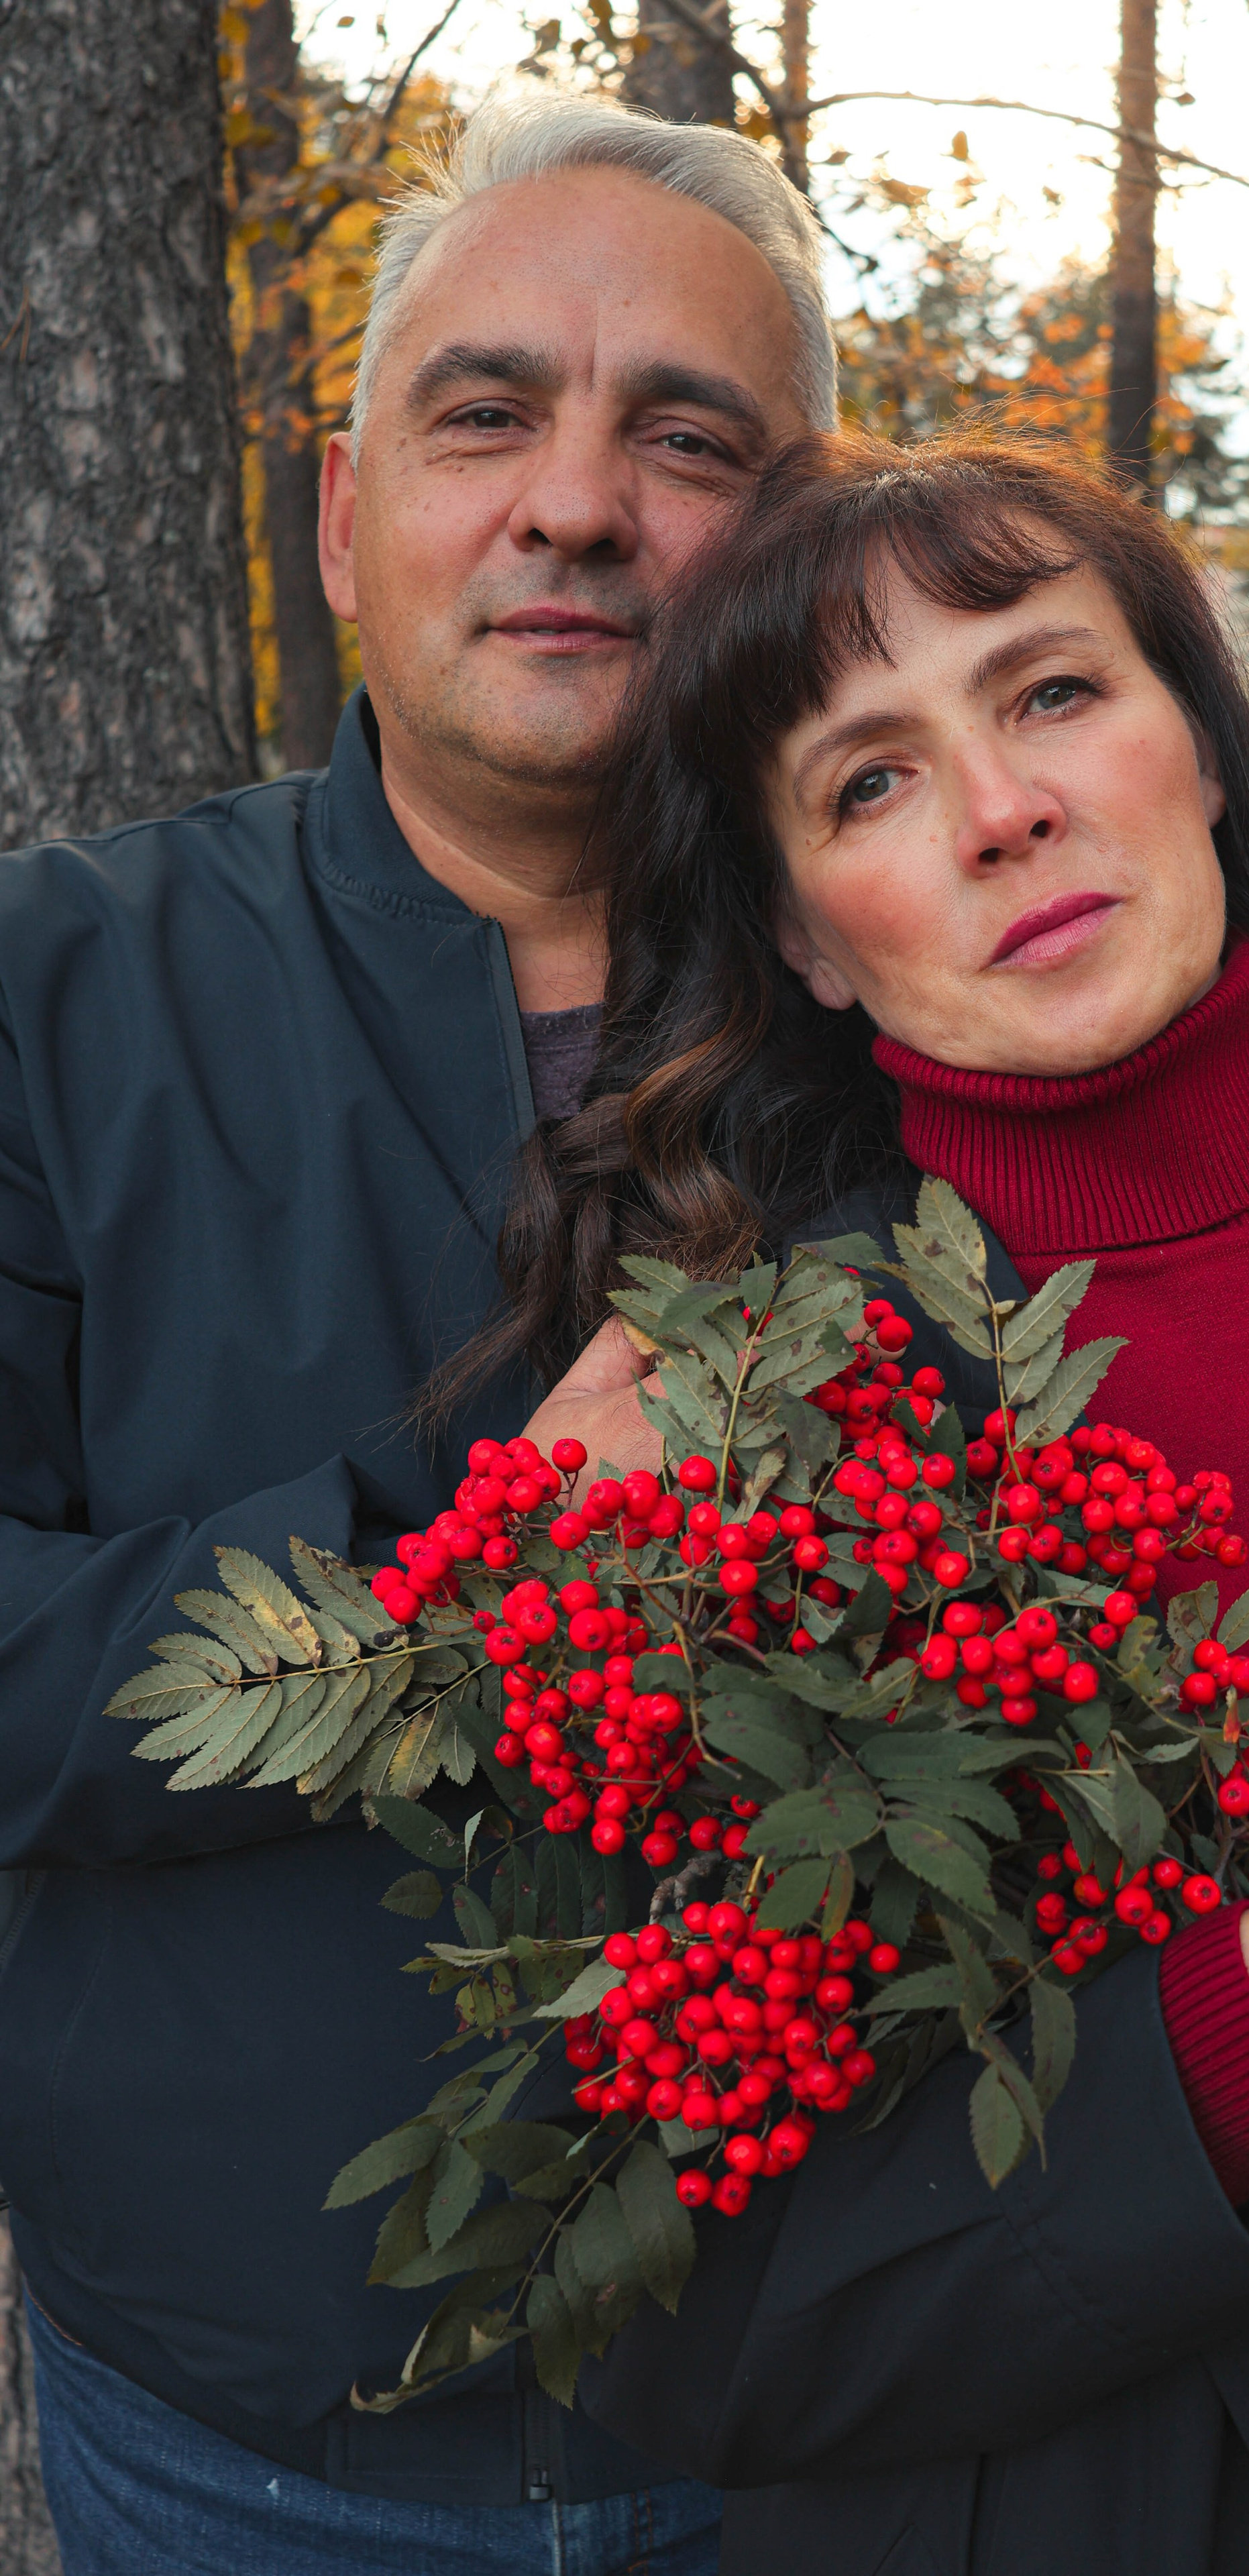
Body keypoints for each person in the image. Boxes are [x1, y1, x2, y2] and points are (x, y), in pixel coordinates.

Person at [485, 435, 1249, 2576]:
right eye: (869, 779)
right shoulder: (750, 1464)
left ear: (1204, 749)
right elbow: (675, 2316)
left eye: (1052, 689)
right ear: (808, 942)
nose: (1000, 806)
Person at [0, 89, 834, 2576]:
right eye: (485, 413)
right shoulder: (56, 992)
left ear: (792, 549)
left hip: (854, 2407)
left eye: (685, 443)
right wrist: (435, 1556)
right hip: (253, 2433)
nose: (575, 503)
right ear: (348, 512)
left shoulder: (914, 1002)